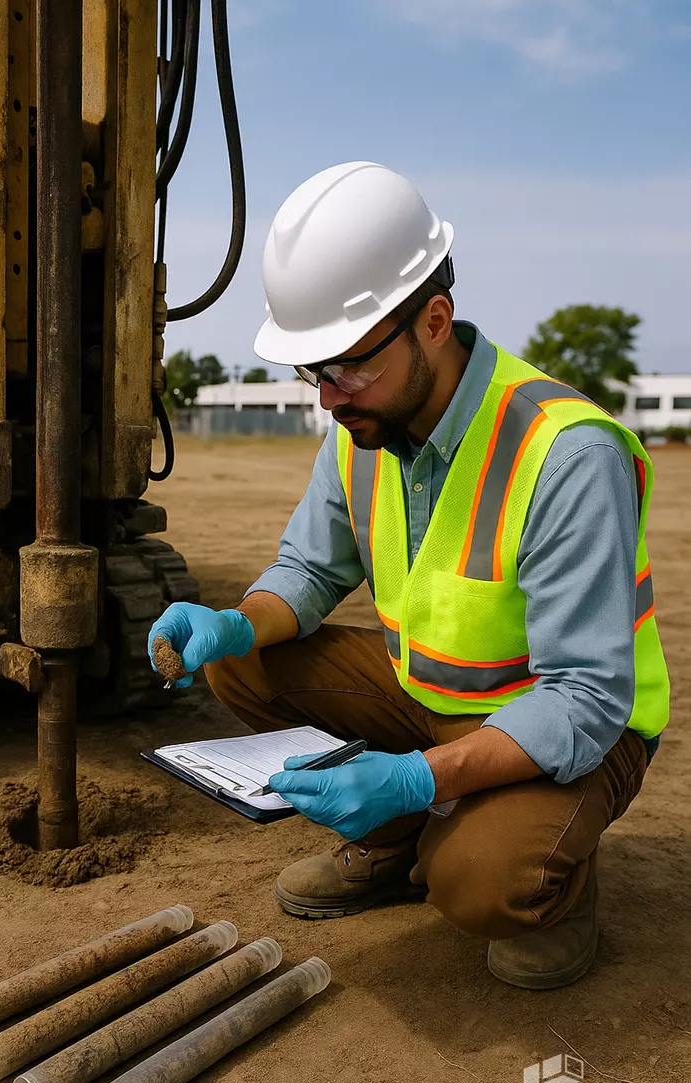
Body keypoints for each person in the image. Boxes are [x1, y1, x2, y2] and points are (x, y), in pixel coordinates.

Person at [148, 161, 670, 990]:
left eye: (346, 367)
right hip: (432, 705)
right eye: (312, 373)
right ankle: (393, 847)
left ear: (434, 319)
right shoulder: (359, 427)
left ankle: (553, 881)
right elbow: (306, 571)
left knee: (478, 881)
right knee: (240, 658)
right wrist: (239, 622)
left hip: (571, 733)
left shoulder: (566, 452)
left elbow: (583, 699)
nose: (327, 398)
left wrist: (413, 779)